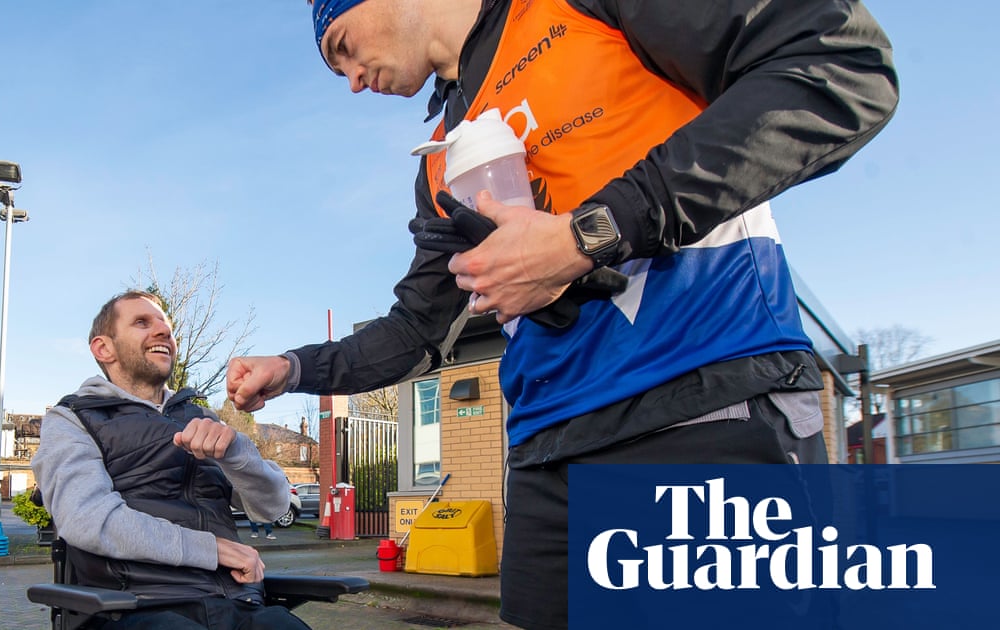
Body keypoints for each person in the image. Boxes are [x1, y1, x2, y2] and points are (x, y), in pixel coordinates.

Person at [230, 1, 898, 628]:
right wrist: (291, 368)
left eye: (342, 47)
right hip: (549, 460)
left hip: (704, 397)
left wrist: (587, 236)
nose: (348, 80)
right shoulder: (440, 160)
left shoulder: (574, 10)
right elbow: (415, 330)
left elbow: (838, 67)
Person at [32, 290, 310, 630]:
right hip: (133, 606)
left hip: (235, 602)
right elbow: (88, 519)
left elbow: (274, 506)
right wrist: (212, 549)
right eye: (141, 322)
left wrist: (238, 453)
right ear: (104, 348)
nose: (164, 331)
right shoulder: (74, 418)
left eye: (166, 324)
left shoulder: (203, 417)